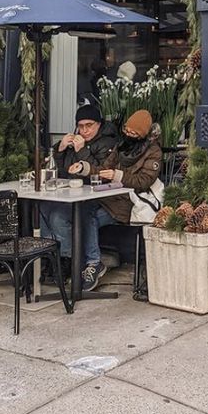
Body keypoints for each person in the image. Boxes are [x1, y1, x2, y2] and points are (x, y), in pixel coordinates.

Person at [69, 108, 162, 291]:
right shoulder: (121, 147)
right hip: (108, 196)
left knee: (88, 216)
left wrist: (118, 175)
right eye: (127, 131)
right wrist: (84, 167)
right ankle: (87, 262)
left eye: (134, 133)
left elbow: (144, 182)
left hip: (129, 202)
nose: (129, 135)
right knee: (81, 209)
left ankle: (93, 264)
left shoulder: (153, 153)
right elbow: (104, 169)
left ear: (143, 135)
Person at [40, 100, 119, 280]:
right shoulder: (74, 143)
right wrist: (59, 150)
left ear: (99, 124)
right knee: (43, 209)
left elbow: (100, 173)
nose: (85, 130)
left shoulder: (109, 143)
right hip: (72, 196)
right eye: (80, 126)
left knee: (58, 217)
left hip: (101, 200)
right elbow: (61, 172)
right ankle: (51, 257)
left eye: (89, 125)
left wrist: (82, 151)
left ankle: (69, 260)